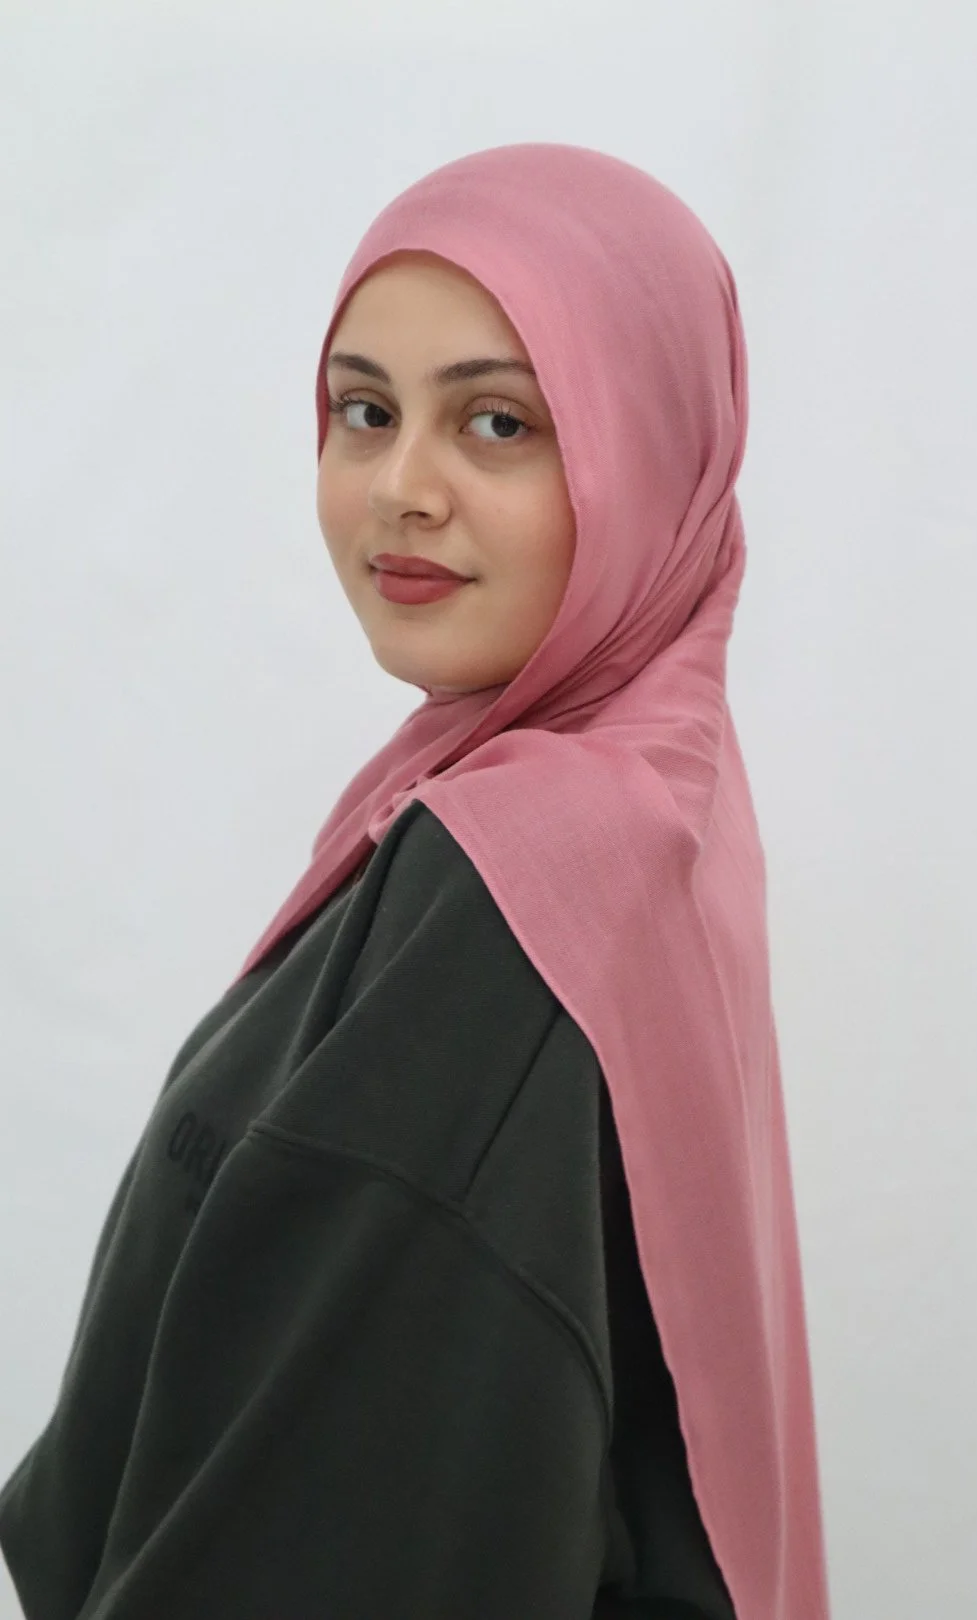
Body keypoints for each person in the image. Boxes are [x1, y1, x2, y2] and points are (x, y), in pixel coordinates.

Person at [0, 143, 830, 1620]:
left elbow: (344, 1520)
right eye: (365, 412)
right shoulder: (645, 788)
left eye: (499, 422)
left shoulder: (528, 877)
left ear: (651, 450)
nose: (400, 490)